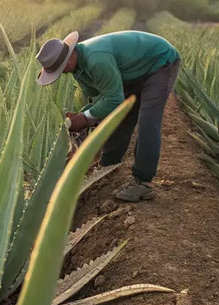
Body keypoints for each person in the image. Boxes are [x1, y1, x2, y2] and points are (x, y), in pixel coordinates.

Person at [35, 30, 181, 202]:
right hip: (133, 73)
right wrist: (82, 115)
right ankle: (108, 167)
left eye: (61, 69)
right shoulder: (78, 69)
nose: (63, 73)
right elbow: (100, 99)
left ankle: (143, 182)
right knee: (121, 118)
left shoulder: (97, 60)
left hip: (159, 64)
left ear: (70, 58)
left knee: (148, 122)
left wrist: (84, 118)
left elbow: (113, 99)